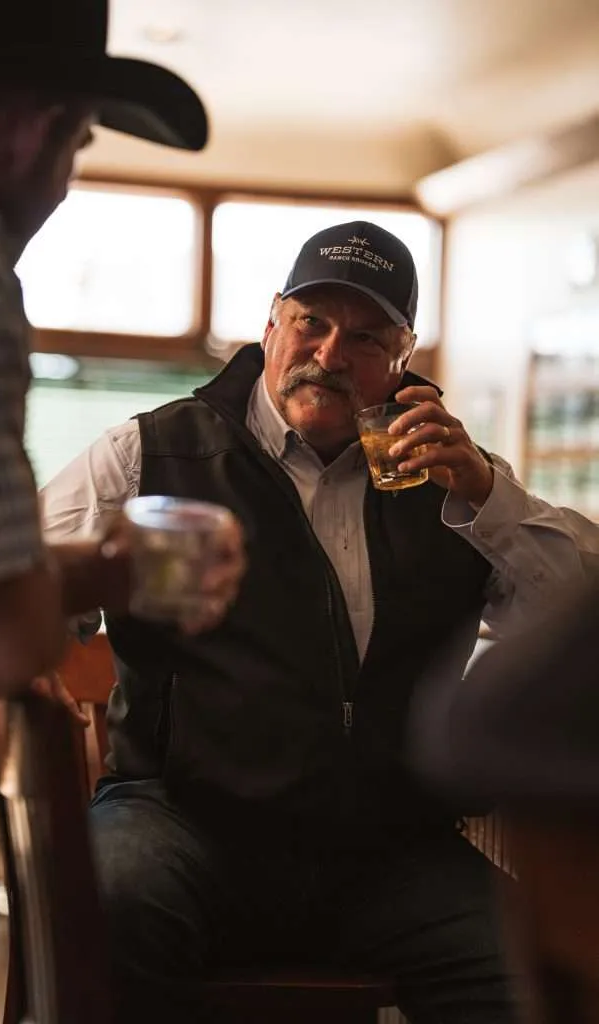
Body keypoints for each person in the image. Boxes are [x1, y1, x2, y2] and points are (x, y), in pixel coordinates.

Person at [42, 219, 599, 1023]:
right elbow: (21, 585)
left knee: (530, 969)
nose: (331, 355)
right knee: (105, 906)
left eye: (366, 337)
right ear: (272, 323)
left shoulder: (452, 476)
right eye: (312, 322)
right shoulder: (151, 453)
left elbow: (575, 615)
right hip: (182, 819)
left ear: (402, 357)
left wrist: (484, 491)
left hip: (388, 844)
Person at [0, 2, 244, 1020]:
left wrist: (98, 571)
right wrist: (107, 573)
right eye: (81, 145)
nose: (64, 181)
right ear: (41, 125)